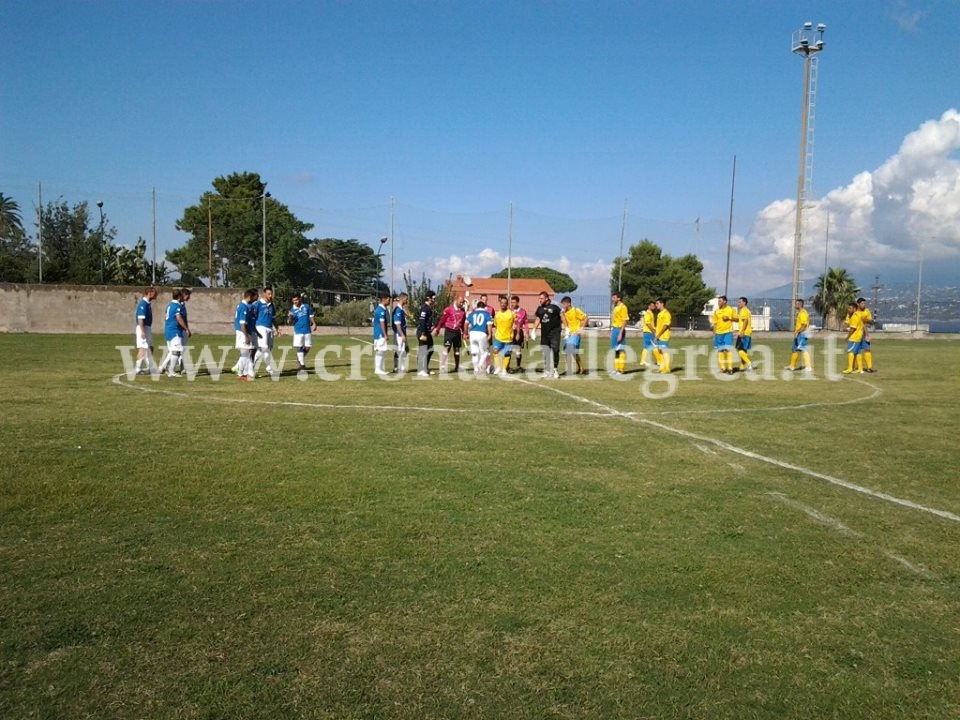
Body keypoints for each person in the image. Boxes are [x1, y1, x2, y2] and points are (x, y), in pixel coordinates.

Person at [158, 288, 189, 377]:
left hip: (168, 330)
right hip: (175, 330)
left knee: (173, 351)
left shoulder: (169, 305)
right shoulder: (177, 306)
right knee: (177, 351)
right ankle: (171, 371)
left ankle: (165, 368)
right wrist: (186, 328)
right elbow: (178, 318)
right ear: (179, 296)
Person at [533, 291, 563, 378]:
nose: (540, 300)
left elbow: (562, 316)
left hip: (555, 332)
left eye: (541, 298)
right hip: (544, 333)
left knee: (555, 350)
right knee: (546, 351)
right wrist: (534, 329)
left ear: (546, 298)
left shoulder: (555, 306)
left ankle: (555, 369)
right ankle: (546, 370)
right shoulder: (540, 308)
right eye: (539, 298)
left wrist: (567, 327)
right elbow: (538, 318)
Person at [434, 295, 467, 372]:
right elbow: (442, 320)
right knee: (447, 347)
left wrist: (465, 333)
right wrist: (438, 329)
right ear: (456, 300)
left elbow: (462, 323)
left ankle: (457, 367)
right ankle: (442, 366)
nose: (462, 304)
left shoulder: (462, 311)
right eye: (460, 302)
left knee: (457, 349)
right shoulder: (449, 309)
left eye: (463, 302)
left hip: (457, 332)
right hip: (449, 331)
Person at [287, 293, 317, 371]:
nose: (295, 302)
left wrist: (314, 323)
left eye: (296, 300)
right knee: (299, 347)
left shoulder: (306, 306)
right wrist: (290, 317)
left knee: (308, 347)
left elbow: (311, 316)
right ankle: (302, 365)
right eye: (293, 300)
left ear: (299, 299)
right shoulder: (292, 310)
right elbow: (289, 323)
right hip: (298, 331)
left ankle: (299, 358)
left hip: (307, 330)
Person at [234, 288, 259, 381]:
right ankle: (241, 374)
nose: (254, 299)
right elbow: (242, 323)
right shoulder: (243, 307)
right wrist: (246, 336)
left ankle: (242, 374)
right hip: (242, 332)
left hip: (243, 331)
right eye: (253, 297)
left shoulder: (243, 305)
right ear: (249, 297)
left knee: (245, 354)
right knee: (245, 354)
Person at [560, 296, 588, 375]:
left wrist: (581, 329)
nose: (563, 306)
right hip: (568, 334)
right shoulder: (564, 312)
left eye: (564, 304)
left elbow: (586, 318)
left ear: (569, 303)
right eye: (562, 304)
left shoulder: (576, 310)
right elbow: (564, 321)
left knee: (570, 349)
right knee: (569, 351)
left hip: (575, 334)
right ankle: (581, 368)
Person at [133, 286, 158, 375]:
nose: (156, 294)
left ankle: (151, 367)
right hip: (142, 327)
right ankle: (137, 368)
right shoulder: (143, 304)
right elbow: (140, 319)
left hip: (147, 327)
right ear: (150, 293)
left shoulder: (147, 304)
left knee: (150, 347)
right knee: (143, 348)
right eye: (155, 293)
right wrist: (142, 331)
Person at [710, 295, 737, 374]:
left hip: (727, 332)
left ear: (725, 301)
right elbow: (715, 323)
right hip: (718, 334)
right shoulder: (717, 311)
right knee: (720, 350)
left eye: (720, 301)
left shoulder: (731, 310)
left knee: (728, 349)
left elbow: (737, 319)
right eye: (718, 301)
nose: (719, 303)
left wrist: (729, 318)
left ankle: (730, 368)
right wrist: (714, 334)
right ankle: (723, 368)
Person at [254, 287, 278, 375]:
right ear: (264, 294)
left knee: (268, 348)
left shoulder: (272, 305)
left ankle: (265, 366)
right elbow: (253, 316)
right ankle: (266, 367)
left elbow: (273, 318)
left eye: (271, 294)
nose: (270, 296)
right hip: (260, 327)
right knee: (264, 347)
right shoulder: (258, 304)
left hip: (269, 328)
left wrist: (277, 328)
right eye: (268, 294)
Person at [466, 301, 493, 377]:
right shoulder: (487, 314)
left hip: (472, 333)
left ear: (477, 307)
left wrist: (465, 333)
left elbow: (466, 323)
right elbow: (489, 325)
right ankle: (480, 366)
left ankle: (475, 370)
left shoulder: (472, 313)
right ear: (484, 307)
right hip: (482, 333)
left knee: (474, 353)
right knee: (485, 352)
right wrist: (490, 334)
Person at [490, 295, 516, 375]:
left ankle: (504, 369)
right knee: (495, 351)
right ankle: (498, 367)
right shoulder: (497, 314)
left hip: (508, 338)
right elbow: (495, 324)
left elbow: (517, 323)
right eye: (502, 303)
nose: (503, 304)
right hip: (498, 337)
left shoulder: (511, 314)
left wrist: (518, 333)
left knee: (506, 354)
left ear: (507, 304)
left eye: (505, 303)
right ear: (500, 304)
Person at [785, 298, 812, 373]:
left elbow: (804, 325)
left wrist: (798, 332)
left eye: (796, 304)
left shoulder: (803, 313)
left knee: (803, 349)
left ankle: (808, 367)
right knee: (794, 349)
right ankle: (792, 366)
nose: (795, 305)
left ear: (799, 304)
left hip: (802, 334)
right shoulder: (800, 312)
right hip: (798, 334)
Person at [416, 291, 437, 377]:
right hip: (423, 332)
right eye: (433, 298)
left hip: (427, 332)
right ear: (428, 298)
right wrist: (423, 333)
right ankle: (420, 369)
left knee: (431, 349)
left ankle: (425, 368)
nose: (434, 300)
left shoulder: (429, 308)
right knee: (423, 350)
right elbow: (422, 321)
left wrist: (431, 326)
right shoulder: (424, 308)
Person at [843, 301, 865, 375]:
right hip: (858, 337)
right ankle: (860, 368)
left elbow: (853, 329)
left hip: (854, 337)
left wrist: (847, 337)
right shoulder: (856, 315)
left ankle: (850, 368)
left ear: (854, 309)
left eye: (850, 308)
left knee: (850, 352)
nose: (848, 310)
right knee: (858, 353)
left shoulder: (855, 316)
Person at [610, 291, 629, 375]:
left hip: (619, 329)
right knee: (615, 349)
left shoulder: (623, 307)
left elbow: (625, 320)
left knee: (621, 349)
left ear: (619, 298)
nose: (612, 299)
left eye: (614, 297)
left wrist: (621, 333)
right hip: (615, 329)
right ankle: (616, 368)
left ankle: (621, 370)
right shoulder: (615, 307)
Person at [373, 292, 391, 376]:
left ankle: (380, 368)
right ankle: (378, 369)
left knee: (382, 351)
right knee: (380, 351)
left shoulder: (382, 309)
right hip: (380, 334)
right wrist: (385, 334)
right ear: (384, 299)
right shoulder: (380, 310)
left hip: (380, 333)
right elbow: (382, 323)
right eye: (389, 299)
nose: (389, 301)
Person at [510, 295, 529, 372]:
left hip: (519, 332)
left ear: (517, 302)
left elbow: (526, 323)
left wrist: (527, 333)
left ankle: (518, 366)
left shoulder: (523, 311)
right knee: (509, 349)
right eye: (511, 302)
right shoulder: (509, 311)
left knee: (518, 349)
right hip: (510, 332)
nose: (512, 304)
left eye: (514, 302)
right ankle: (507, 366)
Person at [857, 297, 876, 372]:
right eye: (862, 303)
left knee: (867, 349)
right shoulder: (855, 312)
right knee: (857, 351)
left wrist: (867, 320)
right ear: (858, 304)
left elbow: (871, 322)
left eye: (864, 303)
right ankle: (859, 368)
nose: (864, 305)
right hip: (857, 334)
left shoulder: (867, 311)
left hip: (865, 333)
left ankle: (869, 368)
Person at [653, 297, 672, 374]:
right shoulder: (660, 314)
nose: (656, 305)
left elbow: (666, 326)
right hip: (659, 336)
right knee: (660, 352)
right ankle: (662, 368)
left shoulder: (666, 313)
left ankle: (667, 369)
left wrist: (659, 334)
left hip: (664, 336)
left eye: (657, 303)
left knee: (664, 351)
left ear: (662, 304)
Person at [735, 297, 754, 372]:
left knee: (740, 350)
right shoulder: (747, 310)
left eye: (740, 302)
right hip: (748, 333)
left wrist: (742, 331)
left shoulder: (743, 310)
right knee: (744, 350)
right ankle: (742, 367)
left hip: (744, 333)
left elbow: (745, 321)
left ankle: (749, 364)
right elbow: (741, 320)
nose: (738, 303)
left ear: (744, 303)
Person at [392, 293, 409, 374]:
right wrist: (402, 334)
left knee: (403, 350)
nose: (407, 301)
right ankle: (399, 368)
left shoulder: (401, 309)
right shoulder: (398, 310)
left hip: (402, 333)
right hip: (399, 334)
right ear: (403, 299)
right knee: (401, 351)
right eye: (406, 299)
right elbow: (397, 324)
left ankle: (402, 367)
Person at [639, 301, 656, 369]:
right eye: (652, 305)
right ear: (649, 306)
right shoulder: (648, 313)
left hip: (649, 331)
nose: (653, 307)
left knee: (648, 346)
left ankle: (643, 361)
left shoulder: (651, 313)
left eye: (654, 305)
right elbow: (648, 323)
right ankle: (643, 361)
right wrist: (653, 331)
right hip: (648, 331)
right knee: (648, 346)